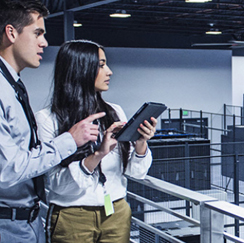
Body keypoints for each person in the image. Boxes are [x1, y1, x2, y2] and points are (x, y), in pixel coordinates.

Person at [0, 1, 105, 242]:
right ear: (11, 33)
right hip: (8, 224)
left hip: (27, 220)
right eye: (38, 33)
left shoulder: (12, 84)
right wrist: (69, 139)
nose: (44, 43)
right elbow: (7, 171)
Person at [35, 39, 157, 243]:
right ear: (80, 69)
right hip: (72, 216)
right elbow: (55, 184)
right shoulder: (47, 119)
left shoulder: (114, 111)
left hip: (116, 211)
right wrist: (98, 155)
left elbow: (135, 172)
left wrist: (141, 143)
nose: (109, 71)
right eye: (101, 65)